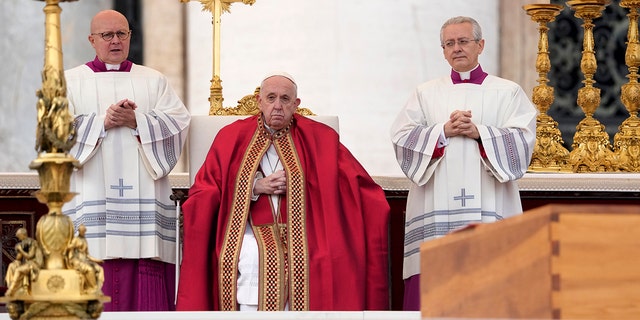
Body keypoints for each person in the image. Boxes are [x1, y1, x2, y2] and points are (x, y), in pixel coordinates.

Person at [176, 72, 390, 311]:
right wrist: (254, 186)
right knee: (251, 254)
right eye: (271, 98)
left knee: (324, 257)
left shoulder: (321, 138)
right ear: (259, 101)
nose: (277, 106)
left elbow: (355, 185)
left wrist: (304, 183)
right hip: (247, 231)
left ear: (296, 104)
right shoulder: (231, 137)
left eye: (285, 99)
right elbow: (205, 189)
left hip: (308, 232)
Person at [390, 16, 537, 311]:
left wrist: (479, 132)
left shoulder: (507, 92)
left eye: (463, 41)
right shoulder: (425, 93)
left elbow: (523, 140)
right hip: (435, 210)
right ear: (443, 51)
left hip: (490, 206)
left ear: (480, 45)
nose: (456, 48)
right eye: (449, 43)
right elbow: (401, 138)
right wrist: (442, 131)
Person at [61, 10, 191, 311]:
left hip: (144, 195)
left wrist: (137, 120)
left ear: (130, 37)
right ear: (92, 40)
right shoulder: (69, 81)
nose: (115, 41)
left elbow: (179, 122)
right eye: (107, 35)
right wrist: (102, 123)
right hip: (90, 189)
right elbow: (52, 129)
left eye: (122, 33)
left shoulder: (153, 80)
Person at [67, 224, 105, 295]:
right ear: (79, 231)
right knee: (90, 269)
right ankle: (93, 288)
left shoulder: (84, 240)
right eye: (82, 231)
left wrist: (97, 260)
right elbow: (69, 248)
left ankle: (96, 289)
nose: (83, 232)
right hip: (76, 260)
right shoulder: (76, 239)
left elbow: (87, 255)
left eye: (84, 231)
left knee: (99, 269)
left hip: (84, 260)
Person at [5, 228, 43, 297]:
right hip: (28, 264)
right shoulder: (24, 243)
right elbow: (18, 258)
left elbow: (29, 256)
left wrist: (21, 250)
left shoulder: (33, 243)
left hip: (35, 264)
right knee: (12, 266)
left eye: (19, 237)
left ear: (22, 235)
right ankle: (14, 288)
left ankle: (11, 290)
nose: (19, 239)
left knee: (18, 270)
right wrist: (17, 259)